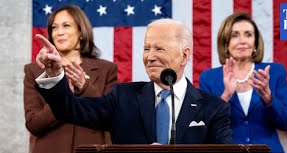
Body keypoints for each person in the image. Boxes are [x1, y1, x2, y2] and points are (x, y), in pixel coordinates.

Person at [33, 18, 232, 146]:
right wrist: (55, 74)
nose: (150, 56)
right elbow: (70, 110)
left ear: (184, 55)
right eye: (147, 49)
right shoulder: (123, 98)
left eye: (159, 49)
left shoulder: (213, 109)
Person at [24, 5, 117, 153]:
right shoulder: (34, 71)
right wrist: (58, 91)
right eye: (54, 27)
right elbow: (33, 124)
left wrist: (85, 86)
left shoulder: (107, 69)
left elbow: (110, 118)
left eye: (66, 25)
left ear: (81, 32)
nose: (59, 32)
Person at [199, 12, 287, 153]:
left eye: (248, 35)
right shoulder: (209, 78)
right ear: (226, 43)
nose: (242, 41)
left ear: (255, 43)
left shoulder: (275, 72)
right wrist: (225, 96)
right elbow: (204, 126)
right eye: (235, 35)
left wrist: (269, 99)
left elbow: (285, 123)